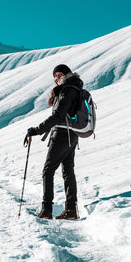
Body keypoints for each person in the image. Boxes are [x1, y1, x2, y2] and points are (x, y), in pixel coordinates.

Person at [25, 64, 83, 220]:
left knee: (48, 170)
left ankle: (47, 209)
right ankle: (71, 210)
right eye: (54, 77)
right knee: (67, 172)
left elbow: (57, 116)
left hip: (62, 135)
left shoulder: (67, 90)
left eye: (57, 76)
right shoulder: (74, 89)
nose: (55, 80)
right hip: (72, 135)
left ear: (63, 74)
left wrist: (36, 130)